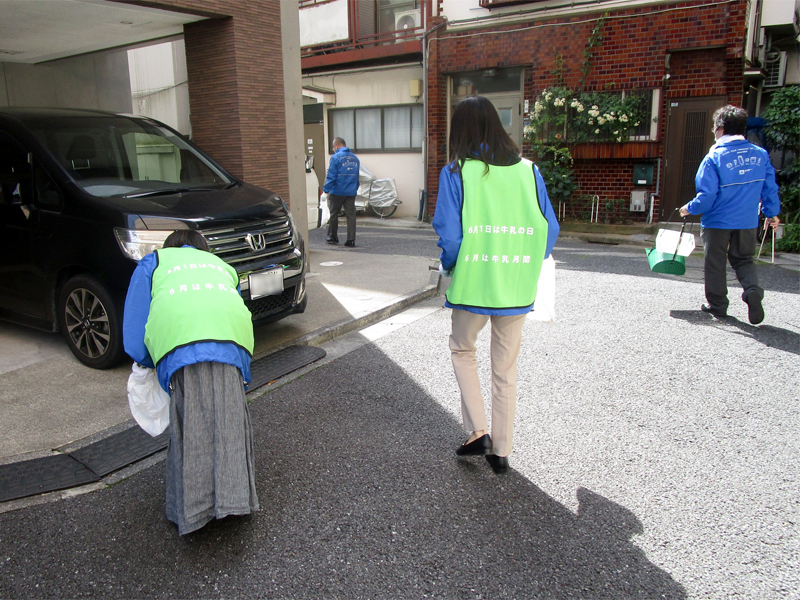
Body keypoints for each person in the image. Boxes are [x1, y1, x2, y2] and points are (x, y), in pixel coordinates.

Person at [433, 96, 560, 474]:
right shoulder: (529, 171)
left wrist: (450, 264)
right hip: (515, 286)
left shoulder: (456, 172)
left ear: (461, 131)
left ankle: (478, 431)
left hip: (473, 283)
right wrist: (520, 259)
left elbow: (451, 237)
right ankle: (501, 451)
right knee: (505, 368)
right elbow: (549, 230)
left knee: (462, 350)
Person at [123, 230, 259, 535]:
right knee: (229, 424)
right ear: (202, 247)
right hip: (232, 344)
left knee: (192, 425)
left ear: (170, 246)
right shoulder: (219, 264)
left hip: (180, 344)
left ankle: (195, 511)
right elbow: (235, 308)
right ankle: (234, 501)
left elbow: (135, 324)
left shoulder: (153, 262)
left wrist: (146, 361)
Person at [679, 105, 781, 324]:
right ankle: (752, 290)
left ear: (721, 129)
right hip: (747, 221)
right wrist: (771, 214)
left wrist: (689, 208)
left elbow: (707, 196)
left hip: (717, 221)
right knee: (744, 260)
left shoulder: (714, 157)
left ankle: (718, 305)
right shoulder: (760, 155)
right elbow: (769, 188)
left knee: (715, 262)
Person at [323, 137, 360, 247]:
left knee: (334, 214)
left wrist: (325, 191)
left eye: (333, 147)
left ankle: (333, 237)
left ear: (336, 146)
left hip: (337, 191)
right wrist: (354, 188)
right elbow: (357, 177)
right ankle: (351, 240)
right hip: (351, 192)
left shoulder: (335, 157)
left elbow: (331, 176)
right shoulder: (355, 158)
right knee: (351, 216)